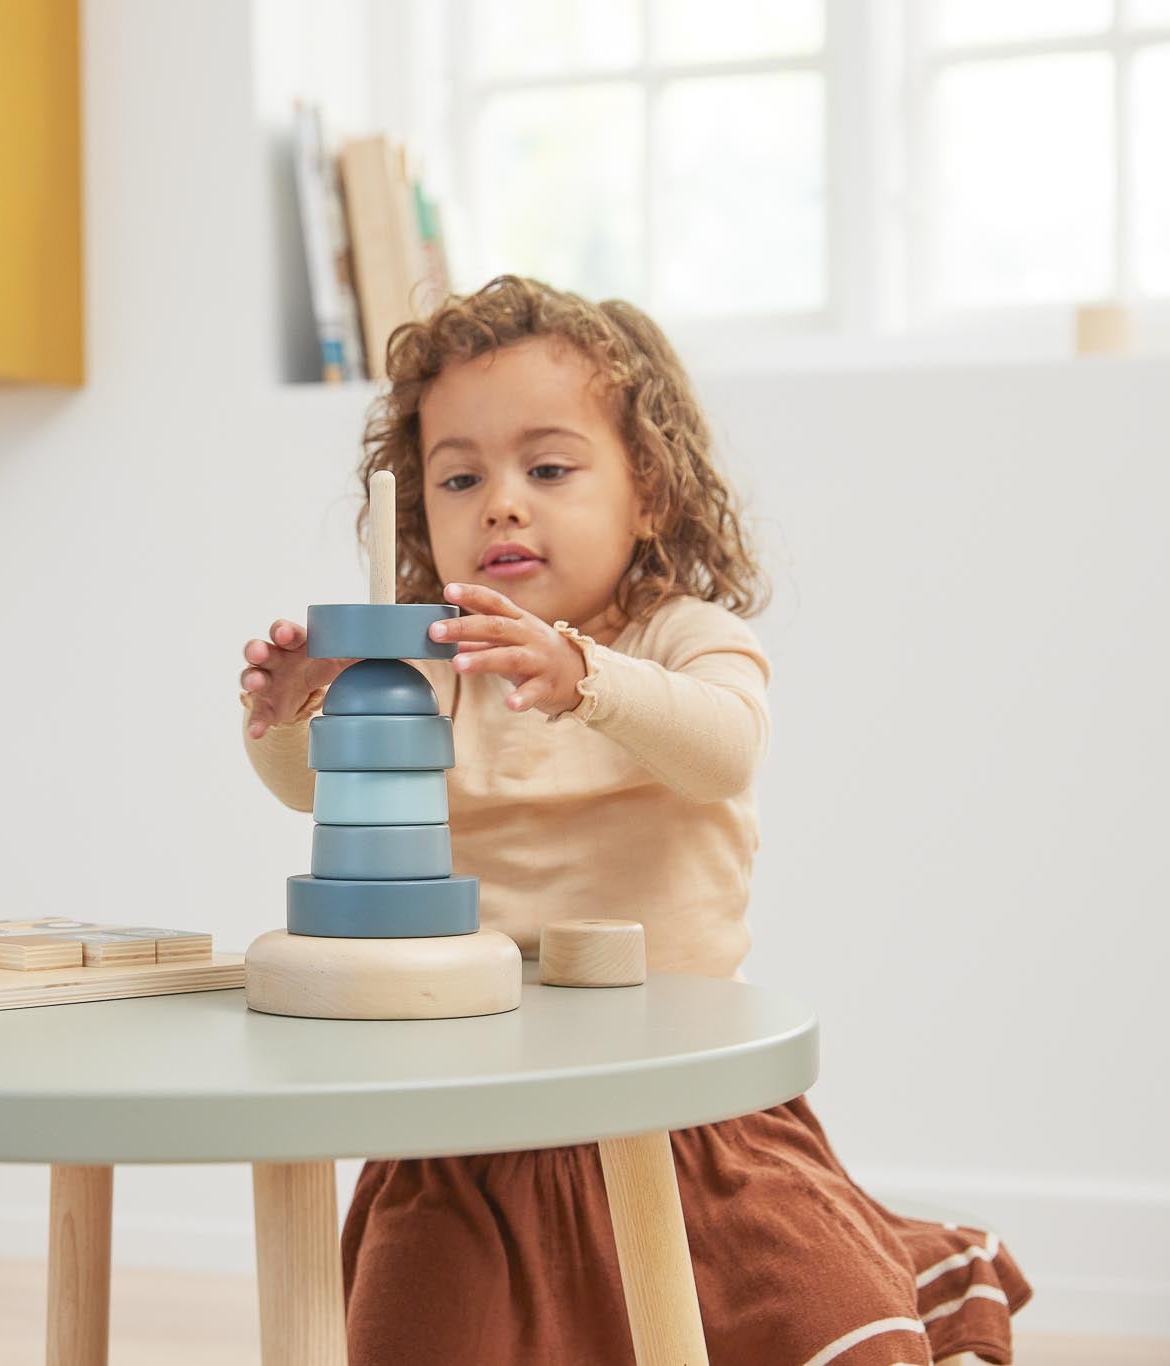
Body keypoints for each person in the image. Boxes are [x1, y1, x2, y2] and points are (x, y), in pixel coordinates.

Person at [237, 276, 1031, 1365]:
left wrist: (582, 677)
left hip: (690, 1117)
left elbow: (722, 747)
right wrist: (291, 715)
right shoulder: (428, 672)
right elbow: (320, 790)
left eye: (548, 468)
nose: (500, 504)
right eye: (458, 477)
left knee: (818, 1317)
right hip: (469, 1134)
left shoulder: (683, 636)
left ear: (647, 491)